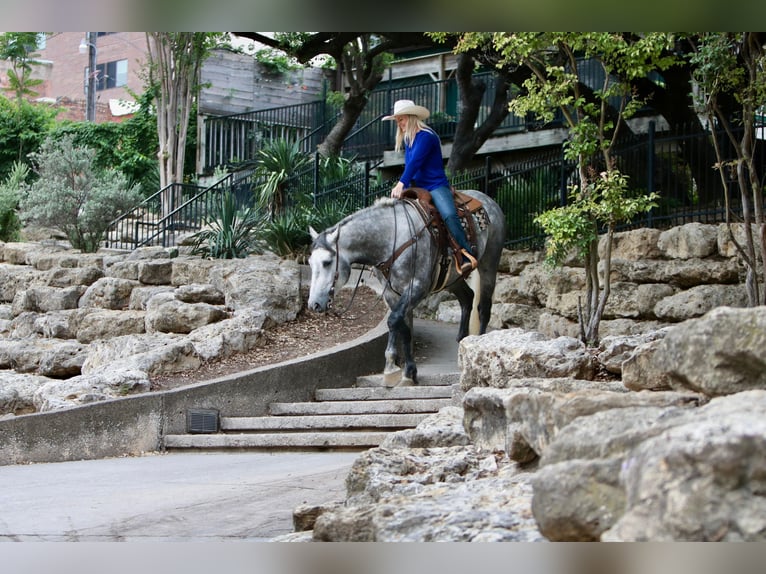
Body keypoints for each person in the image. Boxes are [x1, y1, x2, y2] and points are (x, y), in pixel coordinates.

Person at [383, 99, 478, 275]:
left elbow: (415, 163)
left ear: (411, 117)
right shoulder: (408, 139)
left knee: (449, 215)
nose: (399, 124)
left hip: (435, 185)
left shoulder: (426, 136)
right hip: (418, 187)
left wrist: (401, 183)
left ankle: (465, 254)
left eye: (401, 119)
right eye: (397, 121)